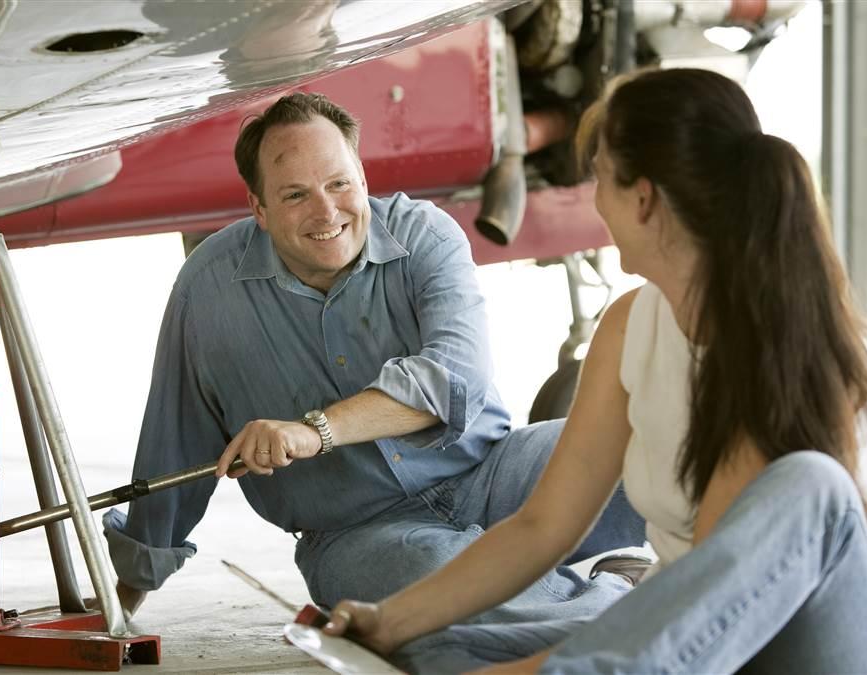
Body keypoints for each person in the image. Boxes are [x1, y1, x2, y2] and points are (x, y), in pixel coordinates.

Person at [323, 68, 867, 673]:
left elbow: (714, 609)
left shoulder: (788, 339)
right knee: (433, 647)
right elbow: (541, 528)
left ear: (644, 197)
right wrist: (389, 621)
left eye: (600, 178)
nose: (594, 199)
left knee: (812, 483)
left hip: (805, 645)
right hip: (675, 643)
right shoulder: (632, 326)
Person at [101, 92, 646, 622]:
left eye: (340, 183)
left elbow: (454, 380)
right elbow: (175, 439)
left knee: (652, 447)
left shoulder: (426, 235)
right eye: (294, 195)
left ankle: (582, 614)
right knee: (438, 580)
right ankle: (622, 600)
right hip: (356, 534)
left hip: (492, 473)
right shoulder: (209, 289)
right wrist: (126, 595)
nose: (326, 210)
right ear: (259, 209)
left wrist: (314, 431)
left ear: (363, 178)